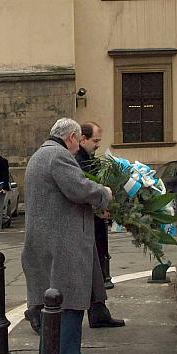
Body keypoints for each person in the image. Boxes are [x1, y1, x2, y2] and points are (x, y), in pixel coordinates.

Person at [21, 118, 112, 354]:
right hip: (63, 242)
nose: (79, 146)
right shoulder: (58, 156)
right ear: (71, 137)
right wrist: (104, 193)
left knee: (54, 303)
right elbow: (78, 189)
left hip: (47, 239)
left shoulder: (40, 155)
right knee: (69, 301)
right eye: (78, 140)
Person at [75, 122, 124, 329]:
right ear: (82, 139)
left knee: (95, 267)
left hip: (94, 222)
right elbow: (81, 190)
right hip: (85, 225)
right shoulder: (77, 161)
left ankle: (98, 311)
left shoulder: (88, 159)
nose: (97, 145)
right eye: (95, 141)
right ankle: (38, 309)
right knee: (86, 268)